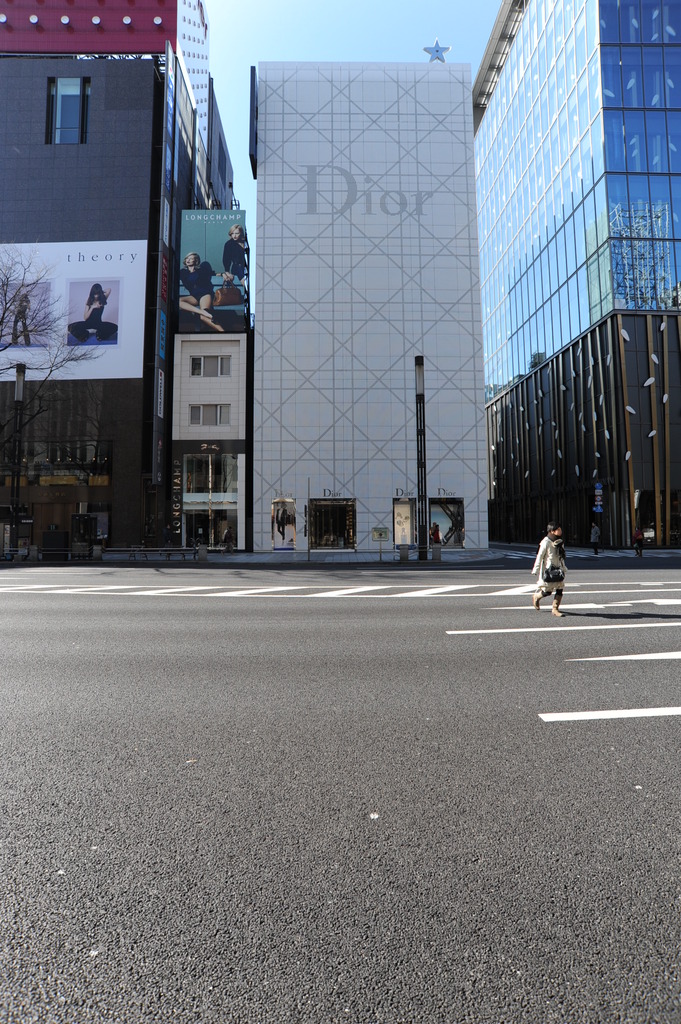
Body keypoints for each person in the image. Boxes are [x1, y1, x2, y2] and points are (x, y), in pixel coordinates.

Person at [179, 252, 225, 332]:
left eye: (191, 258)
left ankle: (222, 332)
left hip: (205, 295)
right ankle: (202, 312)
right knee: (179, 301)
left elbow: (212, 273)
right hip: (194, 296)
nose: (188, 260)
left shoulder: (201, 270)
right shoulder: (183, 272)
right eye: (187, 258)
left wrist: (223, 274)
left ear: (195, 261)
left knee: (202, 317)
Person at [531, 520, 568, 617]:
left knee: (560, 588)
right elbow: (539, 556)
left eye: (560, 529)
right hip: (548, 570)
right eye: (558, 529)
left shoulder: (560, 542)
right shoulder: (545, 542)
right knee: (548, 591)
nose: (560, 531)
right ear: (552, 531)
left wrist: (564, 567)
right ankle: (536, 597)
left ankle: (555, 609)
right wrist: (536, 569)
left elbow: (561, 557)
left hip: (558, 569)